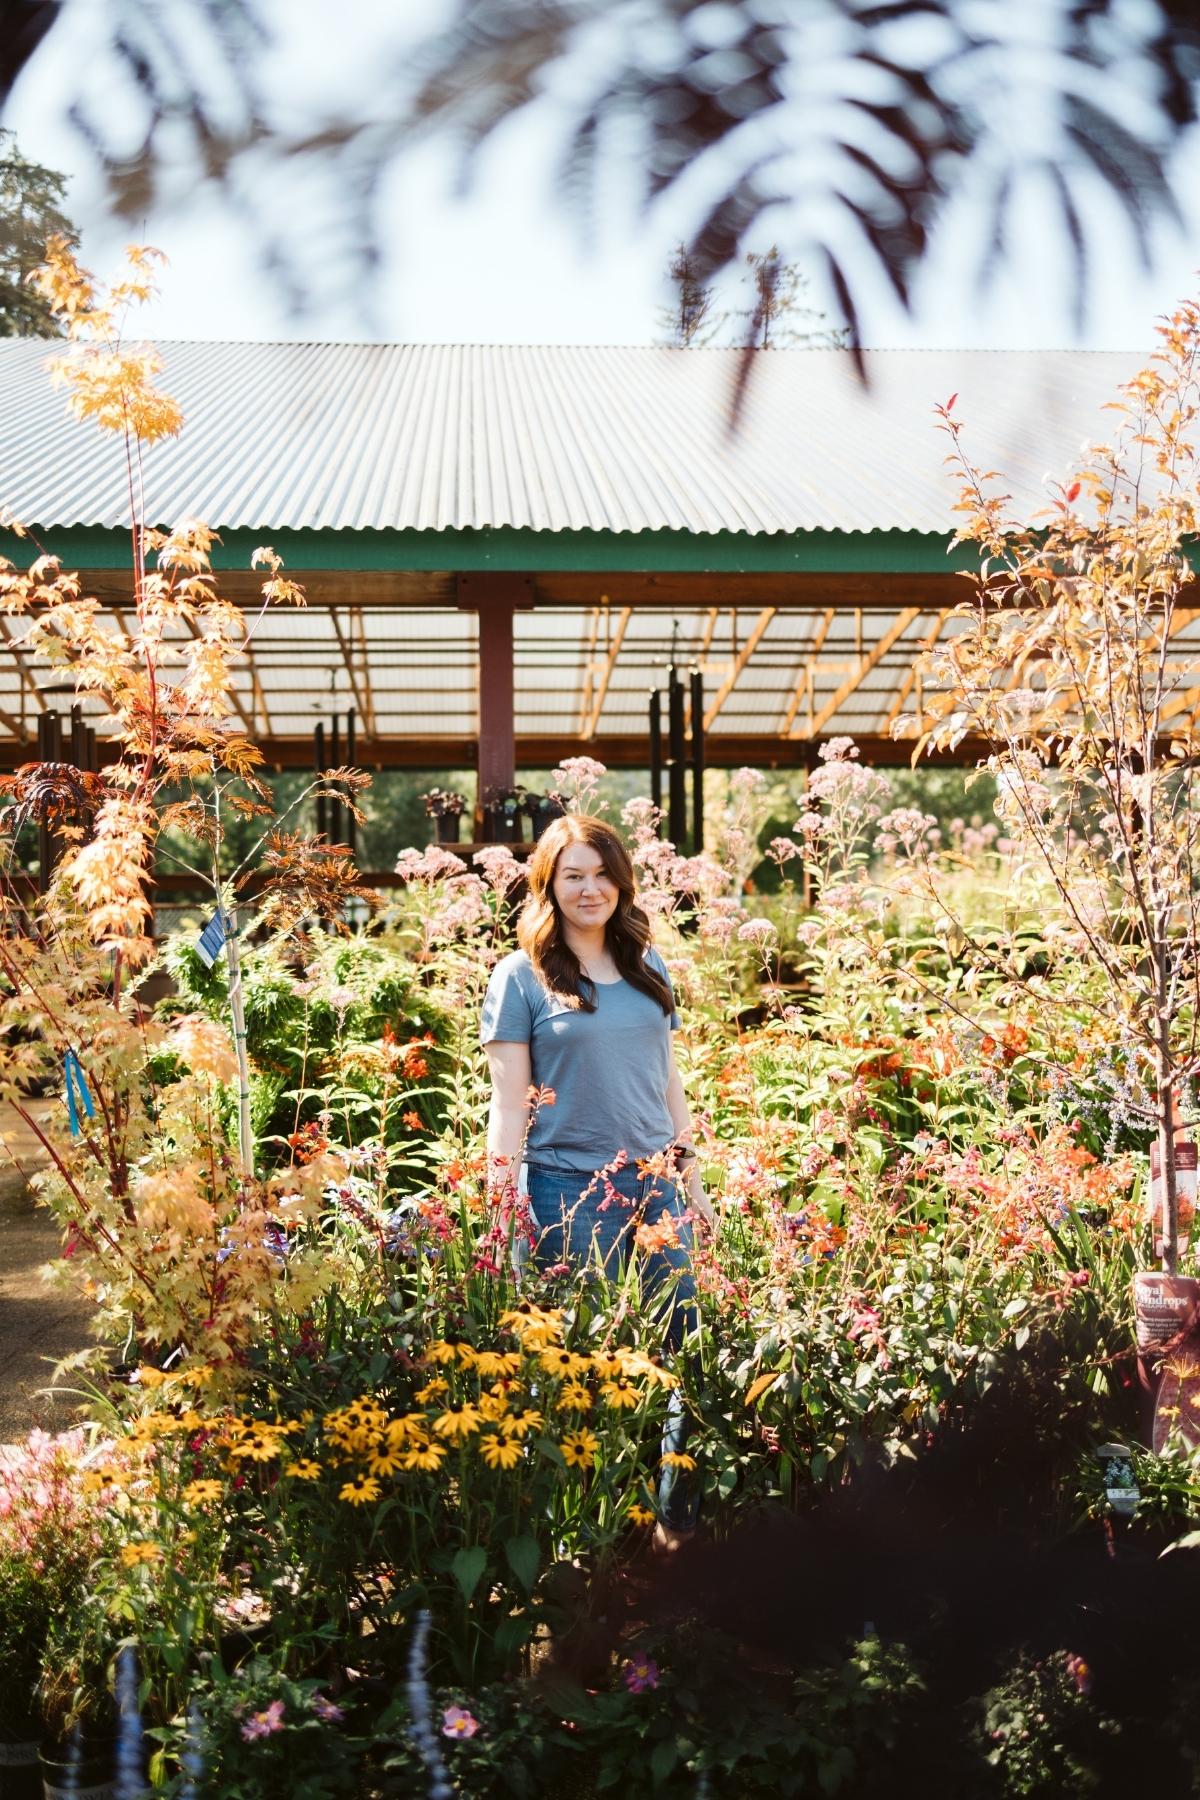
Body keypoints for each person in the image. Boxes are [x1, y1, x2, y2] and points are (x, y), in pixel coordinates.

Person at [481, 814, 714, 1551]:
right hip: (569, 1192)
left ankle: (672, 1526)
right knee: (583, 1360)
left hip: (657, 1185)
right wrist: (500, 1202)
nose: (591, 889)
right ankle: (587, 1534)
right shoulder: (521, 977)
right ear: (547, 886)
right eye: (573, 876)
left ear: (622, 883)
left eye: (603, 874)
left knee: (684, 1348)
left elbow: (668, 1081)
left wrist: (692, 1175)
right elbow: (509, 1103)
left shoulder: (648, 965)